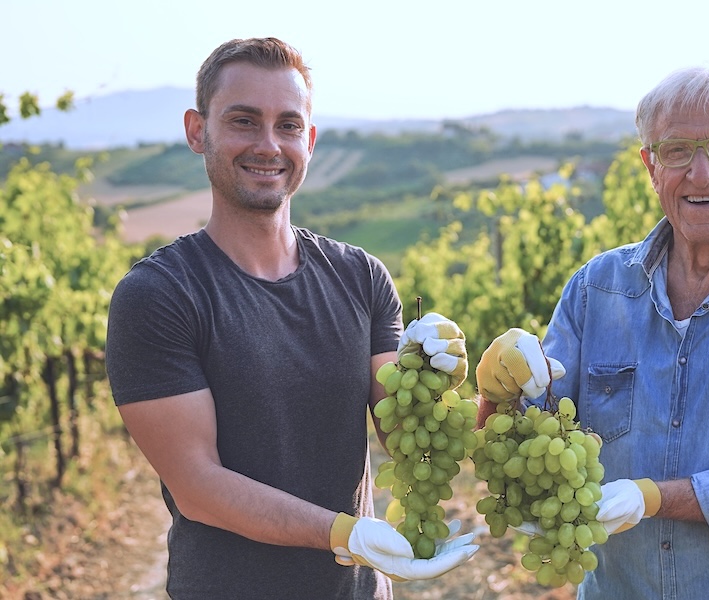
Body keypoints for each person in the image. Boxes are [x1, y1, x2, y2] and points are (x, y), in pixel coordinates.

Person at [104, 37, 477, 599]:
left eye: (288, 125)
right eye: (244, 121)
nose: (268, 144)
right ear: (197, 130)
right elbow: (198, 486)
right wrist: (344, 534)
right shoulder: (159, 295)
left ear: (311, 139)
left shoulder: (362, 277)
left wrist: (484, 391)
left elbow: (404, 434)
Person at [476, 66, 709, 599]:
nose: (700, 174)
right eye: (677, 150)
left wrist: (654, 497)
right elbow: (529, 450)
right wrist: (496, 393)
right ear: (651, 166)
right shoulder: (597, 289)